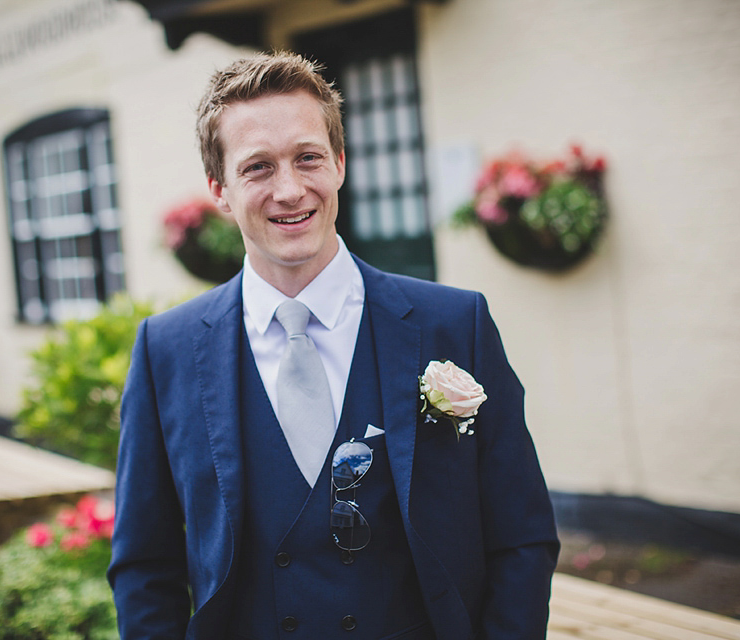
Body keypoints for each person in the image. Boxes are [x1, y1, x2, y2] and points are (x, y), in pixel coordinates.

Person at [108, 51, 560, 640]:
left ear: (340, 163)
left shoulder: (456, 323)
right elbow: (146, 565)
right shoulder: (164, 350)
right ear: (219, 189)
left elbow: (521, 535)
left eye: (308, 158)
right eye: (258, 168)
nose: (290, 190)